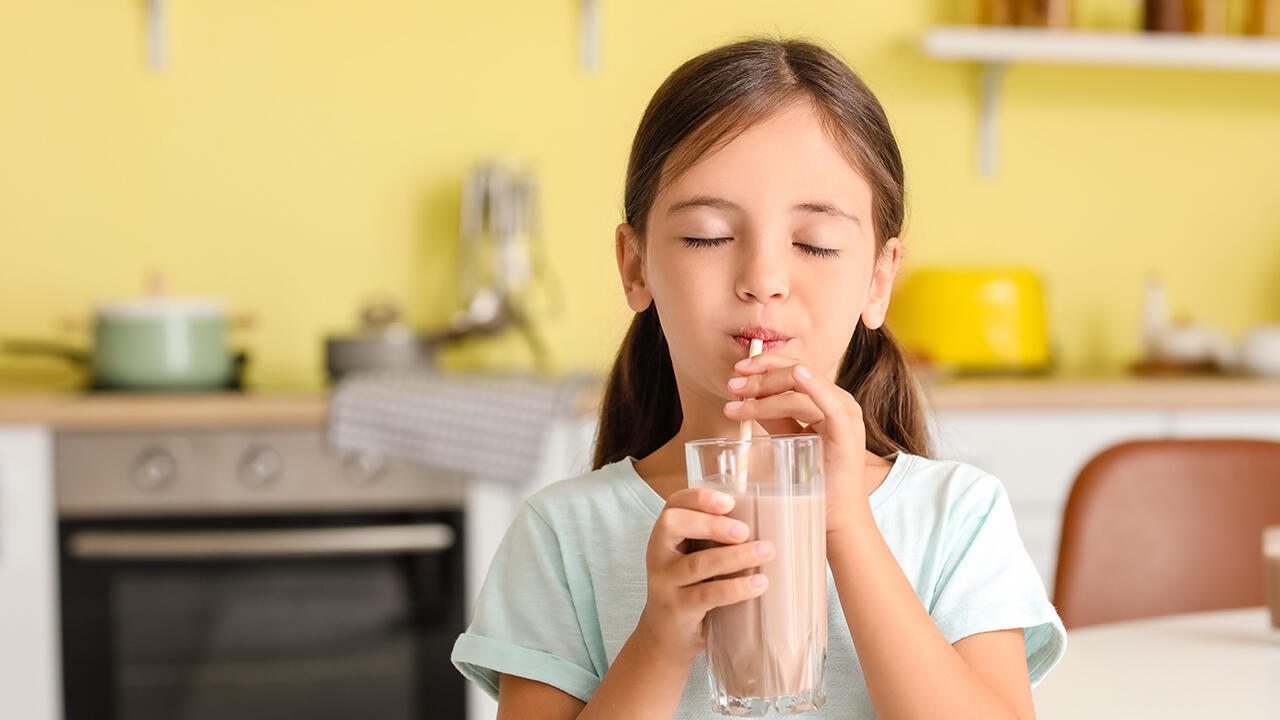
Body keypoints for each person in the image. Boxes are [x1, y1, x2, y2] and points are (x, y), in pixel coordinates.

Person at [451, 36, 1066, 719]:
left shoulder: (956, 516)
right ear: (635, 266)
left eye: (815, 244)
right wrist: (660, 636)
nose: (764, 280)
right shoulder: (565, 535)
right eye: (709, 236)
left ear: (880, 278)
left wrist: (847, 528)